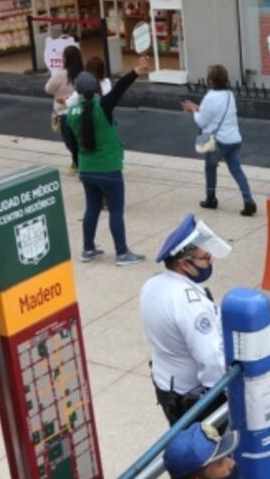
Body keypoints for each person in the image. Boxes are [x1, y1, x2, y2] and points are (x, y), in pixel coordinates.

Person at [140, 214, 232, 425]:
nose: (210, 262)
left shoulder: (153, 286)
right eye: (205, 258)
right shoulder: (190, 304)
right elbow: (211, 362)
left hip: (168, 387)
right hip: (194, 401)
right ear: (184, 264)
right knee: (212, 455)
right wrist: (228, 396)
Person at [66, 65, 148, 266]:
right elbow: (120, 88)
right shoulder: (102, 106)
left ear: (76, 90)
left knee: (91, 208)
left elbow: (72, 144)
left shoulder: (71, 113)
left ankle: (88, 249)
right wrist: (136, 71)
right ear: (95, 88)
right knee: (116, 211)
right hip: (109, 168)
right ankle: (121, 253)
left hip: (86, 168)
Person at [181, 65, 257, 217]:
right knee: (236, 170)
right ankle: (248, 200)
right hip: (234, 139)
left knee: (210, 167)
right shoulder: (229, 95)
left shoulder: (210, 97)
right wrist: (198, 108)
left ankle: (211, 198)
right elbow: (217, 113)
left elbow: (202, 122)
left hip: (218, 141)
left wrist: (193, 111)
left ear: (210, 81)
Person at [45, 44, 84, 173]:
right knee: (81, 138)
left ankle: (76, 163)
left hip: (64, 112)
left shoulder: (61, 75)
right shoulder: (84, 74)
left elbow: (48, 88)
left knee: (70, 141)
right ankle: (81, 162)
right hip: (82, 111)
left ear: (65, 59)